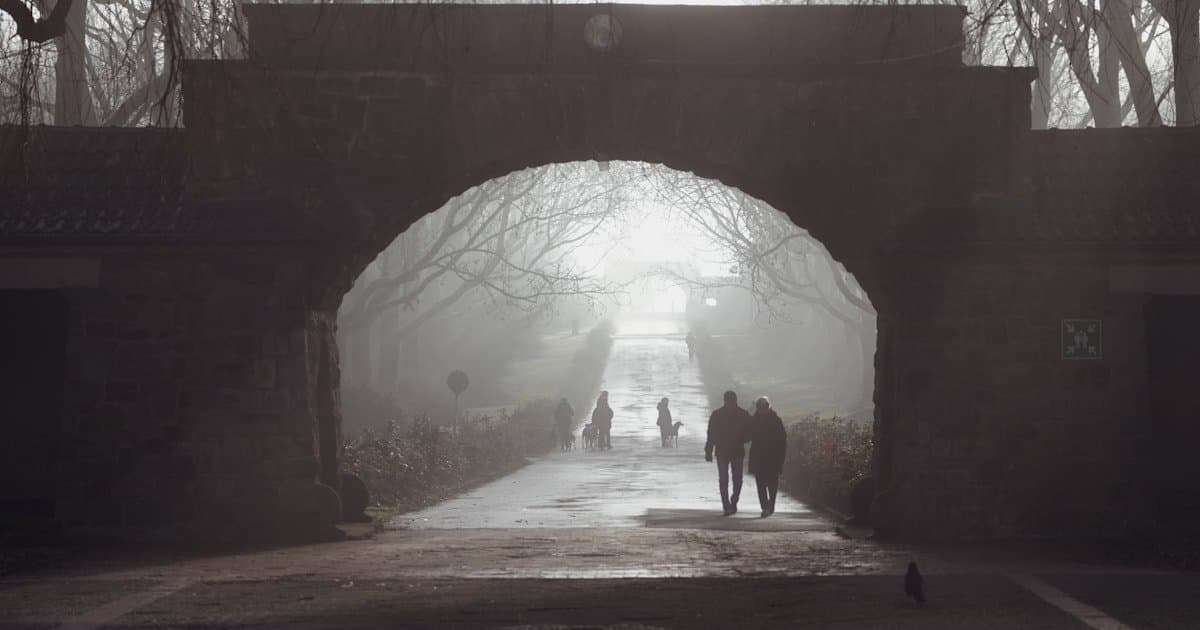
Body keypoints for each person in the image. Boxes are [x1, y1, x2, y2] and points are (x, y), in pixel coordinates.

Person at [705, 390, 751, 515]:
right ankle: (729, 503)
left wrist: (709, 450)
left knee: (730, 479)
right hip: (730, 451)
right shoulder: (743, 414)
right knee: (730, 479)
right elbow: (711, 433)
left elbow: (711, 434)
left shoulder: (718, 414)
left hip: (727, 450)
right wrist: (708, 450)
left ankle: (730, 503)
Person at [748, 396, 787, 517]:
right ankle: (765, 506)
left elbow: (782, 440)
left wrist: (781, 457)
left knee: (772, 484)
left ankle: (771, 505)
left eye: (764, 408)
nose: (762, 410)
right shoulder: (754, 421)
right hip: (759, 456)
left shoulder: (776, 420)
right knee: (760, 484)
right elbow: (749, 436)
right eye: (760, 408)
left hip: (773, 457)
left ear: (768, 407)